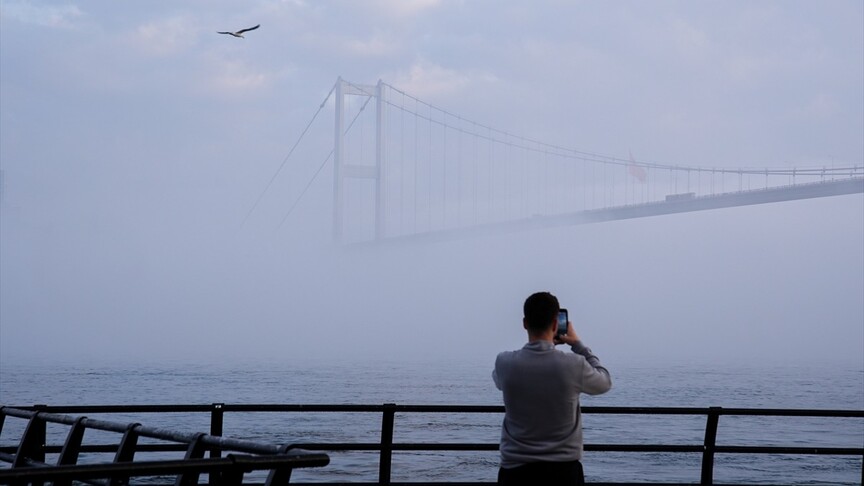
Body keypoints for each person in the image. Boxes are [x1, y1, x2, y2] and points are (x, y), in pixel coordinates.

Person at [493, 291, 612, 486]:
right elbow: (604, 382)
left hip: (515, 472)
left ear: (525, 323)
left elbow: (500, 382)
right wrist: (578, 345)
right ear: (556, 324)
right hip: (563, 473)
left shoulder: (505, 362)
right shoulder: (574, 365)